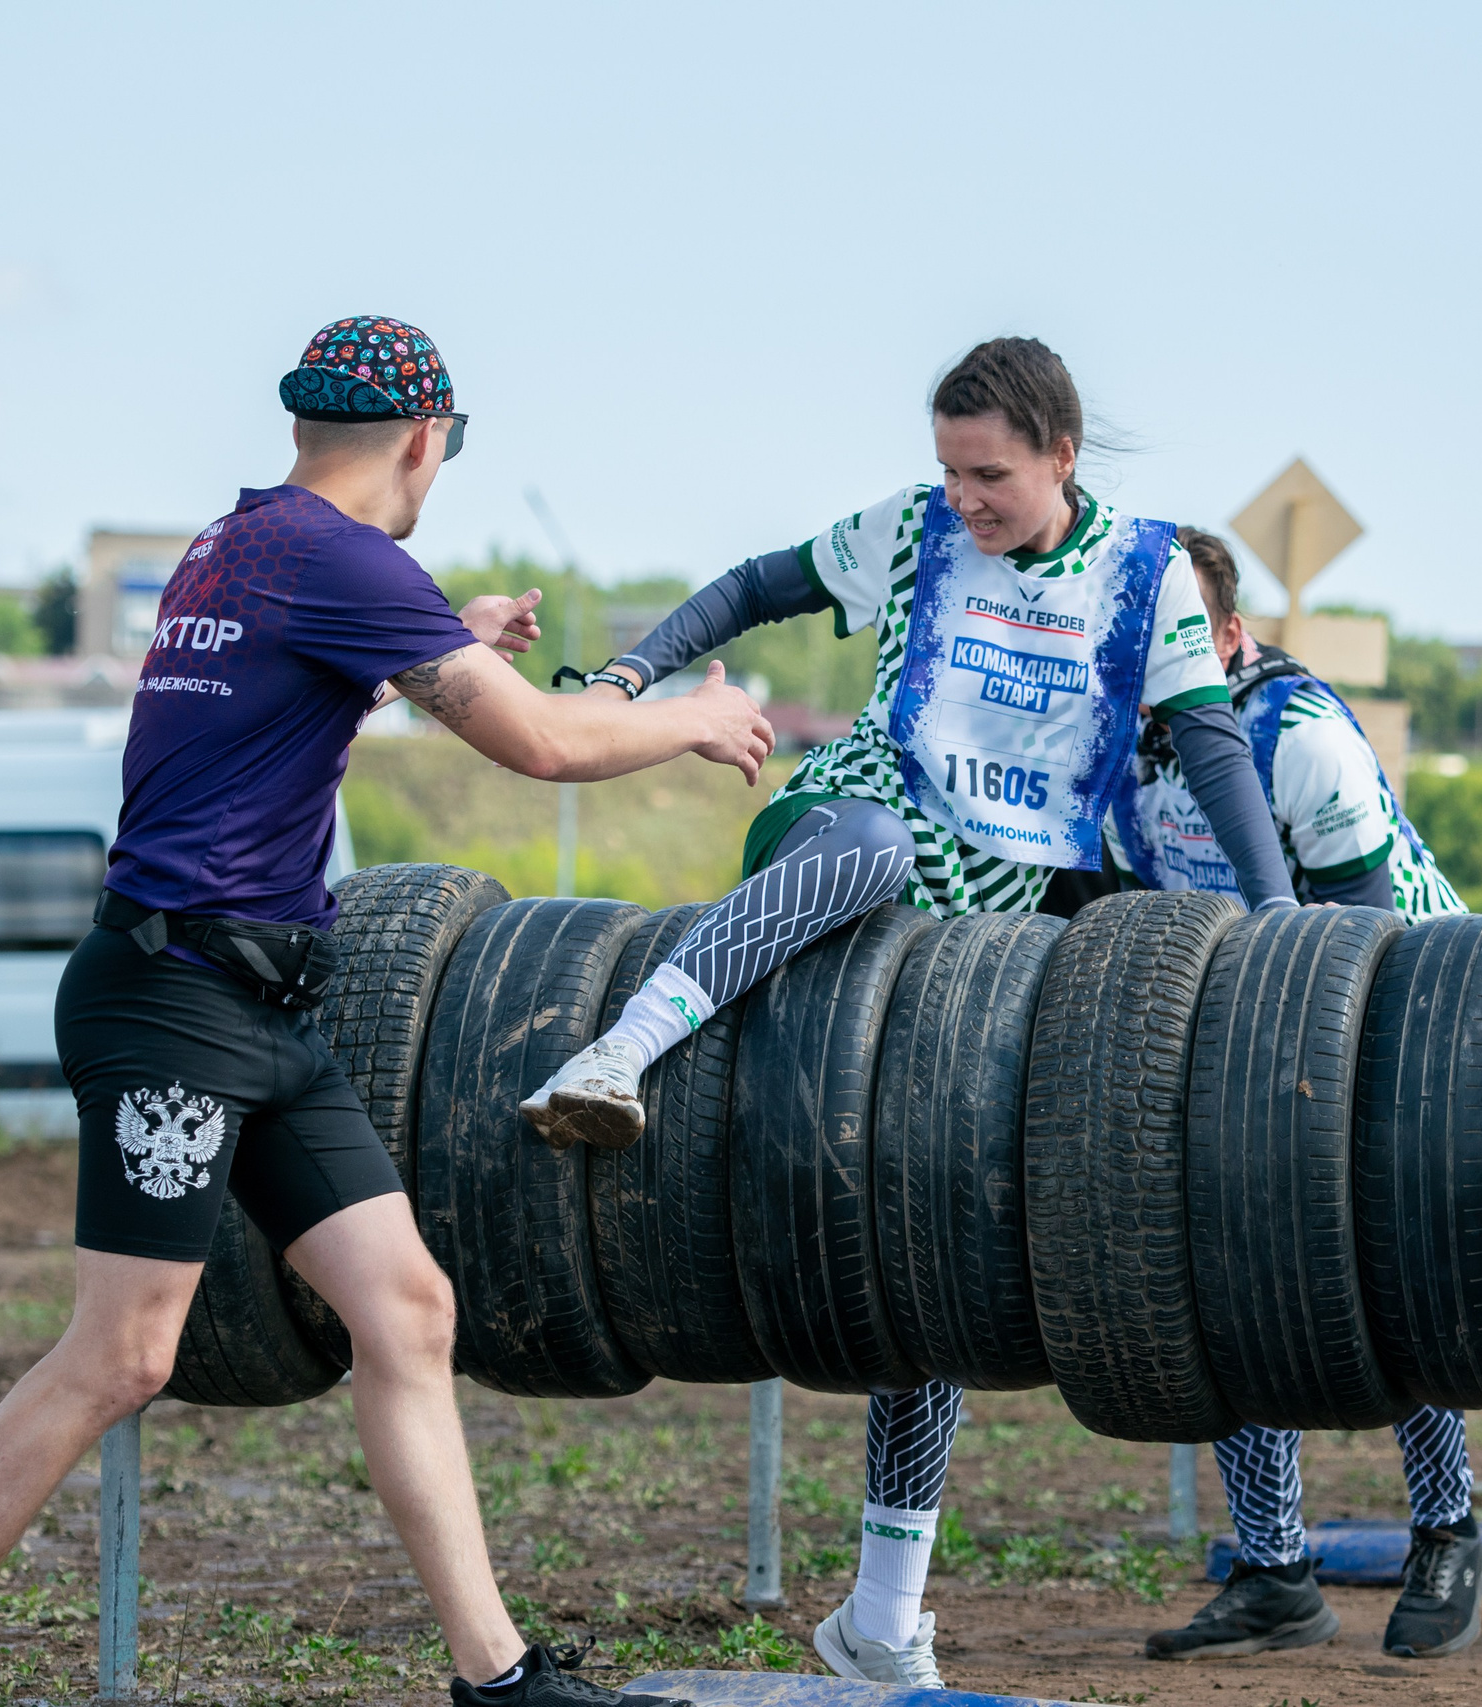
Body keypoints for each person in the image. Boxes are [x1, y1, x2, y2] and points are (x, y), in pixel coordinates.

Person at [0, 316, 773, 1707]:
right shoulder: (344, 561)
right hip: (172, 1000)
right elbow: (544, 741)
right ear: (423, 439)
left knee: (405, 1306)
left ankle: (494, 1671)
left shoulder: (244, 539)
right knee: (124, 1350)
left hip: (262, 1005)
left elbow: (297, 676)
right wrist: (697, 718)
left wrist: (449, 635)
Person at [521, 338, 1298, 1688]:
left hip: (994, 903)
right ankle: (621, 1046)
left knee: (928, 1243)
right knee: (870, 849)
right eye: (949, 467)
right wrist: (632, 676)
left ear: (1060, 454)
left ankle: (882, 1618)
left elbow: (1217, 746)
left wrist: (1281, 922)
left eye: (988, 472)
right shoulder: (915, 531)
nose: (965, 496)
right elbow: (755, 586)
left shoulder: (1151, 572)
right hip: (860, 815)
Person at [1105, 528, 1482, 1661]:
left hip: (1408, 1017)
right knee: (1231, 1286)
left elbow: (1359, 939)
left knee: (1383, 1279)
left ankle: (1447, 1530)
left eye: (1167, 646)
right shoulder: (1115, 745)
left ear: (1225, 636)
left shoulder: (1299, 737)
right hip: (1243, 1016)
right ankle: (1273, 1568)